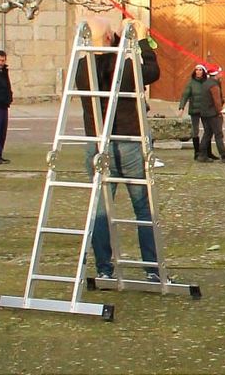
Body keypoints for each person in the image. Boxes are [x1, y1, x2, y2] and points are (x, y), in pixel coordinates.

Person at [75, 15, 162, 282]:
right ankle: (152, 269)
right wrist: (141, 38)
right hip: (128, 142)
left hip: (96, 143)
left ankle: (104, 267)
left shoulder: (81, 66)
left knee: (100, 207)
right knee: (142, 207)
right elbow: (151, 72)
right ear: (112, 39)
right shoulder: (122, 66)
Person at [177, 64, 216, 162]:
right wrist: (181, 107)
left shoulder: (207, 82)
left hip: (205, 110)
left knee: (208, 130)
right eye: (197, 70)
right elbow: (185, 95)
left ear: (203, 72)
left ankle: (208, 152)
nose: (198, 72)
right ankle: (197, 152)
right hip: (194, 109)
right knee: (195, 131)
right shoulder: (191, 83)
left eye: (200, 70)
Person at [205, 67, 225, 162]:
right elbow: (217, 100)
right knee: (218, 134)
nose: (222, 74)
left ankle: (202, 154)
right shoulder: (213, 85)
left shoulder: (206, 83)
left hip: (207, 112)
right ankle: (224, 156)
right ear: (216, 74)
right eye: (220, 72)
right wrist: (220, 112)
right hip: (213, 113)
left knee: (207, 134)